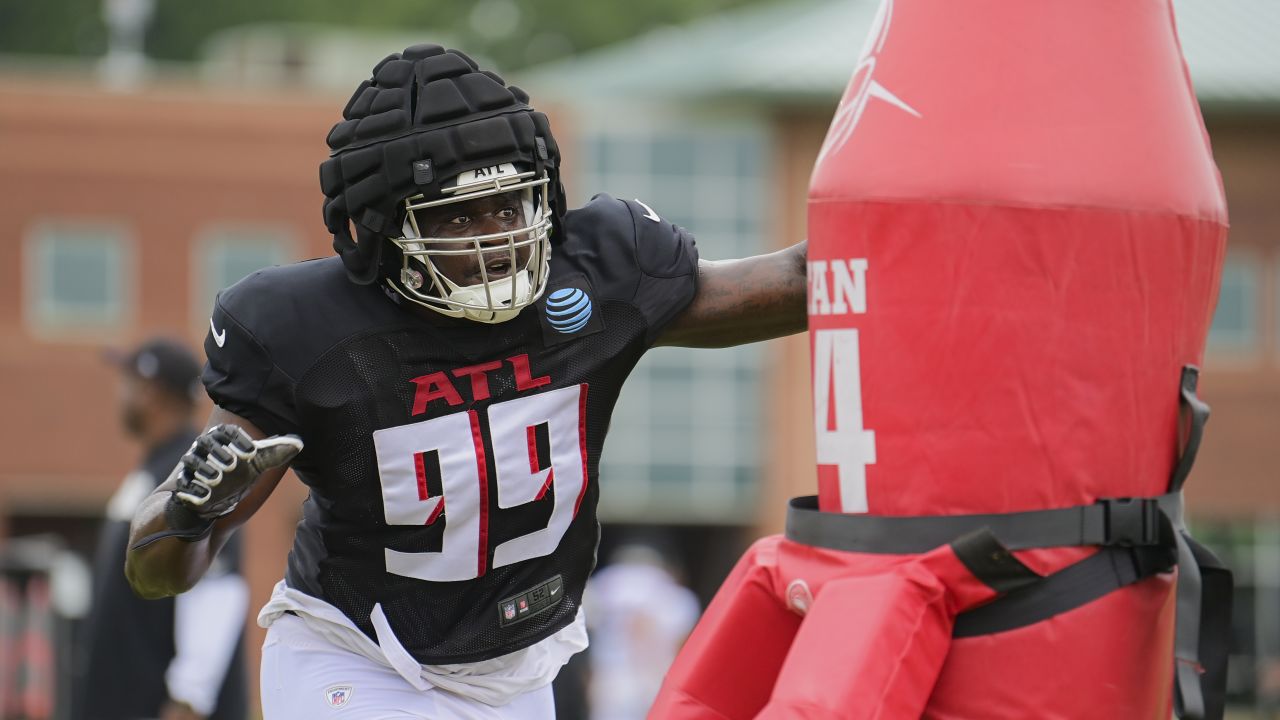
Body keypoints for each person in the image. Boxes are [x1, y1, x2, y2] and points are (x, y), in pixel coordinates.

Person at [123, 43, 805, 719]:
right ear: (384, 226)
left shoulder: (596, 276)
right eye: (455, 215)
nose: (494, 236)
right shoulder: (311, 331)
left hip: (519, 667)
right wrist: (189, 513)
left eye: (509, 207)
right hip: (358, 654)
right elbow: (155, 571)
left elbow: (808, 284)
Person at [76, 338, 248, 720]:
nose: (119, 392)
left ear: (150, 392)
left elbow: (217, 591)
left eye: (127, 381)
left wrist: (187, 701)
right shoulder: (160, 470)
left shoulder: (197, 472)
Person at [584, 543, 700, 720]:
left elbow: (582, 635)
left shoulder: (606, 583)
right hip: (653, 678)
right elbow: (684, 647)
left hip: (614, 679)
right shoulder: (671, 592)